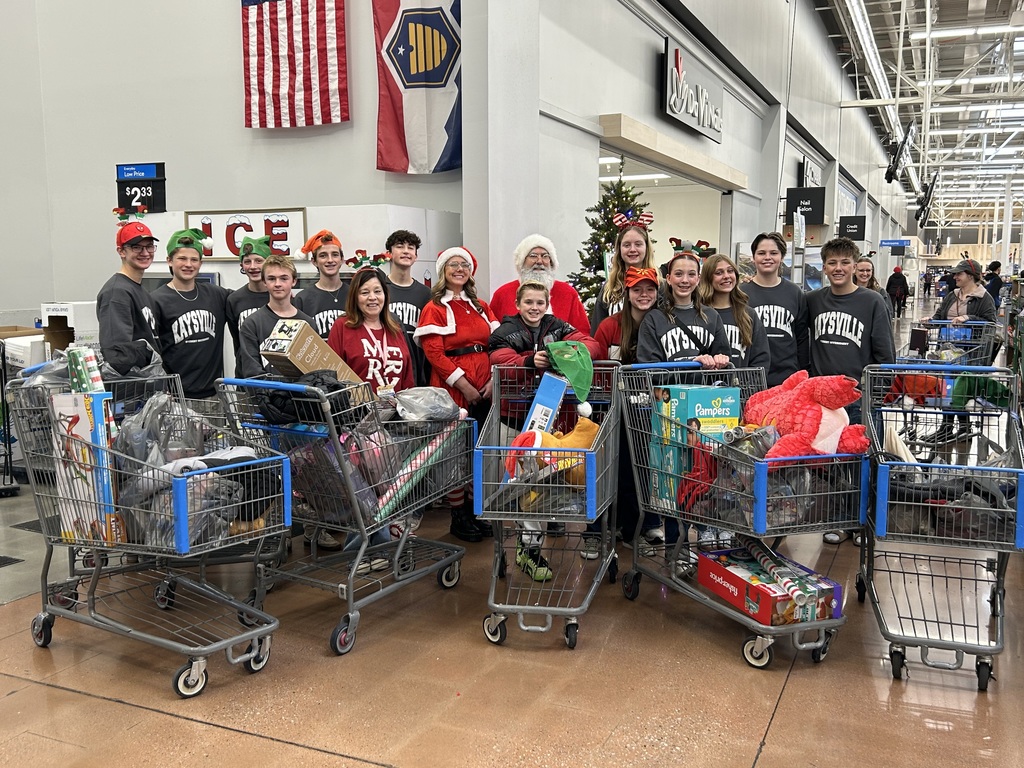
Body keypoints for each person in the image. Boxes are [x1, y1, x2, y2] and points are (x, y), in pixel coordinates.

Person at [488, 281, 600, 579]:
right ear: (518, 303)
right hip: (515, 422)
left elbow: (591, 344)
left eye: (540, 302)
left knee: (543, 487)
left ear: (547, 304)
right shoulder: (504, 331)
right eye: (529, 302)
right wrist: (528, 360)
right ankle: (527, 547)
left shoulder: (558, 326)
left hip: (551, 428)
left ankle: (531, 546)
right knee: (521, 487)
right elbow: (499, 360)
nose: (534, 308)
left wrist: (563, 351)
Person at [807, 237, 894, 545]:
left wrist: (876, 397)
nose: (838, 268)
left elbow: (886, 354)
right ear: (824, 266)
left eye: (845, 262)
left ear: (856, 266)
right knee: (831, 465)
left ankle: (862, 523)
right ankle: (840, 519)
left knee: (863, 463)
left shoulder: (872, 302)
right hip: (824, 400)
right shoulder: (814, 300)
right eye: (832, 262)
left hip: (859, 398)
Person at [414, 246, 498, 543]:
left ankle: (475, 509)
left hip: (485, 386)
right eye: (453, 264)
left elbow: (496, 346)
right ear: (443, 271)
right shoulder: (434, 307)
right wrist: (462, 383)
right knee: (454, 454)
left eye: (464, 264)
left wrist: (491, 380)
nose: (460, 269)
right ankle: (458, 514)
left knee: (479, 451)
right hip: (453, 389)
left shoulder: (482, 306)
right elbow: (434, 352)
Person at [592, 266, 664, 554]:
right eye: (637, 289)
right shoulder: (610, 326)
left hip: (652, 409)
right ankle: (600, 527)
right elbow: (596, 365)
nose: (644, 295)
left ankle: (642, 524)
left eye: (650, 289)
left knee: (647, 467)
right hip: (615, 407)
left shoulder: (663, 324)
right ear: (627, 293)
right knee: (613, 466)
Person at [150, 229, 231, 400]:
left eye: (194, 259)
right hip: (176, 398)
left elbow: (247, 298)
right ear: (169, 261)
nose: (188, 264)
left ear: (200, 264)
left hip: (214, 396)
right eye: (182, 258)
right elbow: (151, 352)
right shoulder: (156, 300)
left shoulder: (217, 295)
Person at [327, 267, 414, 395]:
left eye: (377, 291)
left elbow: (408, 378)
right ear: (355, 297)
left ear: (385, 295)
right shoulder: (342, 326)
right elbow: (332, 375)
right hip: (358, 411)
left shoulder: (395, 329)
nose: (372, 297)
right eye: (364, 292)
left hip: (396, 411)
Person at [636, 250, 731, 367]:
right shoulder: (654, 319)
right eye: (679, 274)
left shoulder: (712, 316)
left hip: (705, 385)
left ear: (698, 279)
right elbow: (649, 368)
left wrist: (720, 362)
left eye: (691, 274)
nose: (685, 280)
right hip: (668, 386)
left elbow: (724, 370)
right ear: (669, 279)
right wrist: (691, 365)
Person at [742, 232, 810, 387]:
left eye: (773, 253)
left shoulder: (795, 293)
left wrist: (803, 374)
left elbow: (802, 338)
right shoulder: (741, 293)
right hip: (750, 380)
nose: (767, 257)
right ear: (753, 257)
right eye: (761, 253)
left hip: (787, 380)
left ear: (782, 257)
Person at [488, 234, 590, 334]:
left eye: (545, 256)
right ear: (522, 262)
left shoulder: (567, 292)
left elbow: (582, 334)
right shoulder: (502, 294)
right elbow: (492, 334)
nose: (540, 261)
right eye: (533, 256)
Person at [97, 221, 161, 375]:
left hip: (150, 385)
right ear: (121, 251)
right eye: (136, 247)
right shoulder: (117, 292)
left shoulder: (141, 291)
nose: (145, 253)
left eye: (149, 246)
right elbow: (117, 355)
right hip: (133, 391)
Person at [237, 254, 315, 379]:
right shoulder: (252, 323)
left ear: (294, 281)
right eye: (271, 279)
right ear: (264, 282)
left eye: (284, 278)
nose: (277, 284)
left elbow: (312, 370)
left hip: (300, 397)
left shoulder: (307, 323)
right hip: (265, 396)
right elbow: (251, 371)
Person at [697, 253, 770, 370]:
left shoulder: (748, 314)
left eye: (730, 271)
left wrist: (748, 387)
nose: (726, 276)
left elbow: (761, 358)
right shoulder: (699, 314)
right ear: (707, 278)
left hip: (743, 386)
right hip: (706, 386)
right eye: (719, 273)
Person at [383, 229, 432, 387]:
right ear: (388, 253)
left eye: (411, 247)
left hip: (417, 371)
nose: (405, 251)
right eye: (399, 246)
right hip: (386, 369)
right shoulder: (379, 290)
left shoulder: (425, 294)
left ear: (416, 256)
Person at [589, 220, 657, 334]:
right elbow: (597, 331)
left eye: (638, 244)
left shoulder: (659, 285)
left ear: (646, 248)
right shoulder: (609, 288)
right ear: (619, 249)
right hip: (616, 349)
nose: (632, 249)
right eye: (626, 245)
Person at [226, 235, 271, 375]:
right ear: (241, 265)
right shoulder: (234, 300)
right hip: (245, 376)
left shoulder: (280, 297)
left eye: (259, 261)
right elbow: (237, 341)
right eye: (247, 261)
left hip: (277, 376)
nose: (253, 267)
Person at [295, 229, 348, 339]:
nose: (330, 260)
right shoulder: (302, 299)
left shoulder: (354, 294)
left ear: (342, 259)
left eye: (335, 255)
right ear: (314, 261)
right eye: (323, 255)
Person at [855, 256, 894, 324]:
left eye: (868, 270)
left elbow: (888, 316)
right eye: (861, 270)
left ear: (872, 272)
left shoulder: (880, 292)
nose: (865, 273)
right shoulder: (847, 291)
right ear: (854, 271)